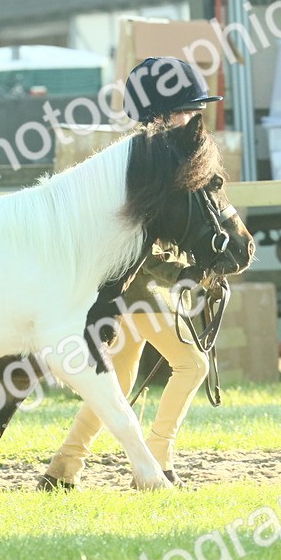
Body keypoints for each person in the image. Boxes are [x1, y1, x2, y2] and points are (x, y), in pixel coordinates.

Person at [42, 56, 224, 489]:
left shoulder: (143, 157)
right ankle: (159, 458)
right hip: (137, 287)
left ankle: (64, 467)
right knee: (191, 366)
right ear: (160, 115)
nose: (195, 117)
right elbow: (139, 241)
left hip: (129, 288)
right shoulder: (151, 164)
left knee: (118, 377)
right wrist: (181, 270)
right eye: (187, 109)